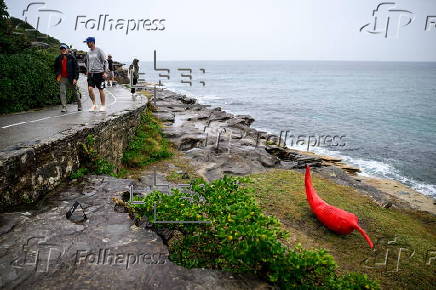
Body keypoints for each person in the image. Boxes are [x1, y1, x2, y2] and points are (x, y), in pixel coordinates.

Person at [54, 43, 82, 112]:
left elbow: (76, 69)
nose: (63, 50)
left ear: (67, 50)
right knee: (62, 92)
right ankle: (64, 107)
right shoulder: (58, 58)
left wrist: (75, 78)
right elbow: (56, 68)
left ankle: (79, 105)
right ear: (60, 50)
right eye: (61, 49)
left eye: (64, 49)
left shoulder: (72, 57)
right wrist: (58, 74)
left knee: (75, 92)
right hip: (62, 78)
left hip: (71, 78)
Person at [84, 37, 108, 112]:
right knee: (90, 89)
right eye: (86, 43)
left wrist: (105, 72)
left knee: (101, 90)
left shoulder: (99, 50)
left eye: (88, 42)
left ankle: (103, 105)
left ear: (92, 42)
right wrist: (87, 70)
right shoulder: (88, 52)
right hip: (91, 74)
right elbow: (87, 62)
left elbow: (105, 62)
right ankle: (94, 105)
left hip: (100, 74)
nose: (87, 44)